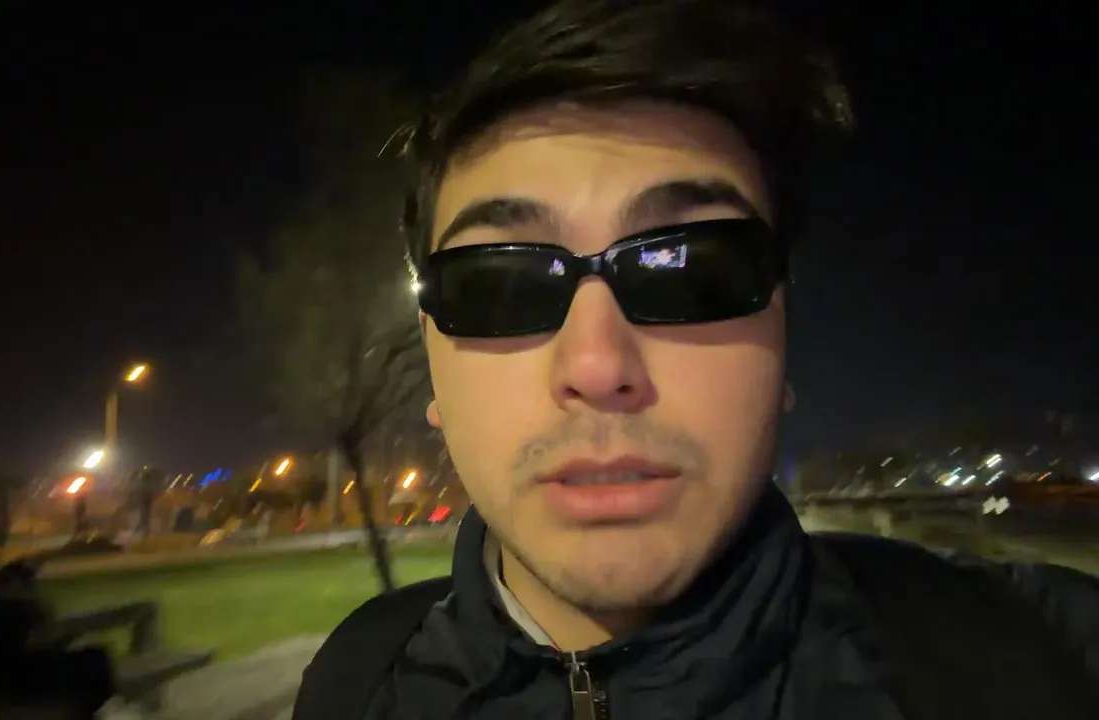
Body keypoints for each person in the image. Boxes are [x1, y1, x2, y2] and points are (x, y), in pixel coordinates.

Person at [293, 1, 1099, 718]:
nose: (598, 365)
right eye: (498, 284)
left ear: (782, 336)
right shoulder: (357, 682)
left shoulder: (1035, 660)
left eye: (693, 271)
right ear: (432, 363)